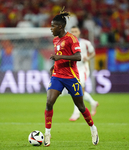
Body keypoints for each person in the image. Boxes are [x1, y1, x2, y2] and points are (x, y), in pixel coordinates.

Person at [44, 7, 99, 147]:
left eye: (53, 26)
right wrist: (54, 65)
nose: (51, 29)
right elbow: (59, 57)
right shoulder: (55, 40)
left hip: (71, 77)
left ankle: (93, 128)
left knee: (80, 106)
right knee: (49, 102)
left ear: (60, 27)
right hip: (57, 75)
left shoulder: (72, 39)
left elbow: (78, 57)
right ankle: (47, 133)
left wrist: (60, 57)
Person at [68, 26, 99, 121]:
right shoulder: (68, 43)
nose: (74, 33)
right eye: (72, 31)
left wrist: (88, 58)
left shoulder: (86, 43)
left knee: (76, 89)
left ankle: (76, 113)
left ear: (79, 32)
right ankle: (93, 102)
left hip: (83, 69)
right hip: (73, 69)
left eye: (75, 31)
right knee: (79, 92)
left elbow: (93, 53)